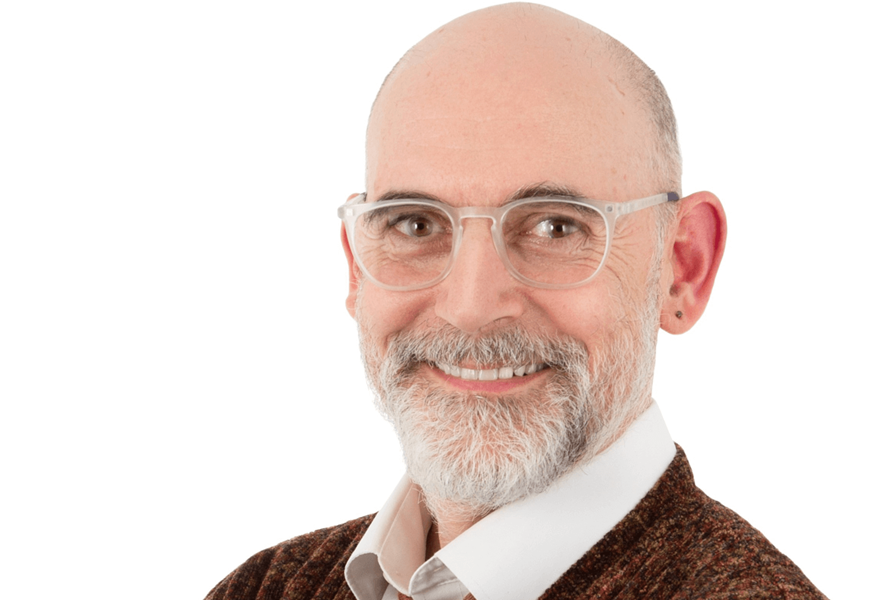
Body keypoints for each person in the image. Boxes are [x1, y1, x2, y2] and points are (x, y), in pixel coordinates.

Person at [205, 3, 826, 599]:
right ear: (355, 267)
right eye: (415, 225)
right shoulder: (262, 588)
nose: (471, 307)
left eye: (557, 226)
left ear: (683, 267)